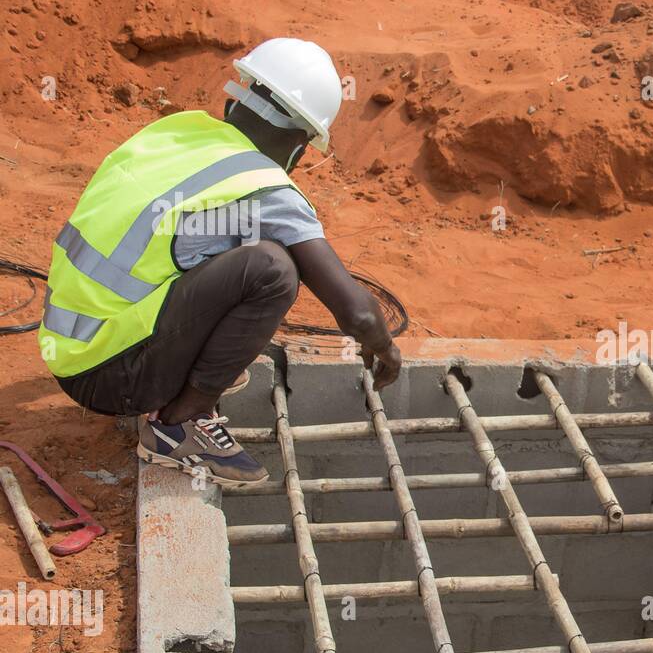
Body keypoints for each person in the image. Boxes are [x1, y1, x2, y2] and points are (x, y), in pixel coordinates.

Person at [39, 37, 403, 488]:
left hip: (69, 343)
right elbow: (359, 313)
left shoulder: (177, 133)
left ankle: (179, 373)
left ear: (237, 101)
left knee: (240, 241)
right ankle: (178, 424)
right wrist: (384, 349)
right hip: (109, 377)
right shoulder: (266, 187)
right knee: (273, 267)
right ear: (301, 144)